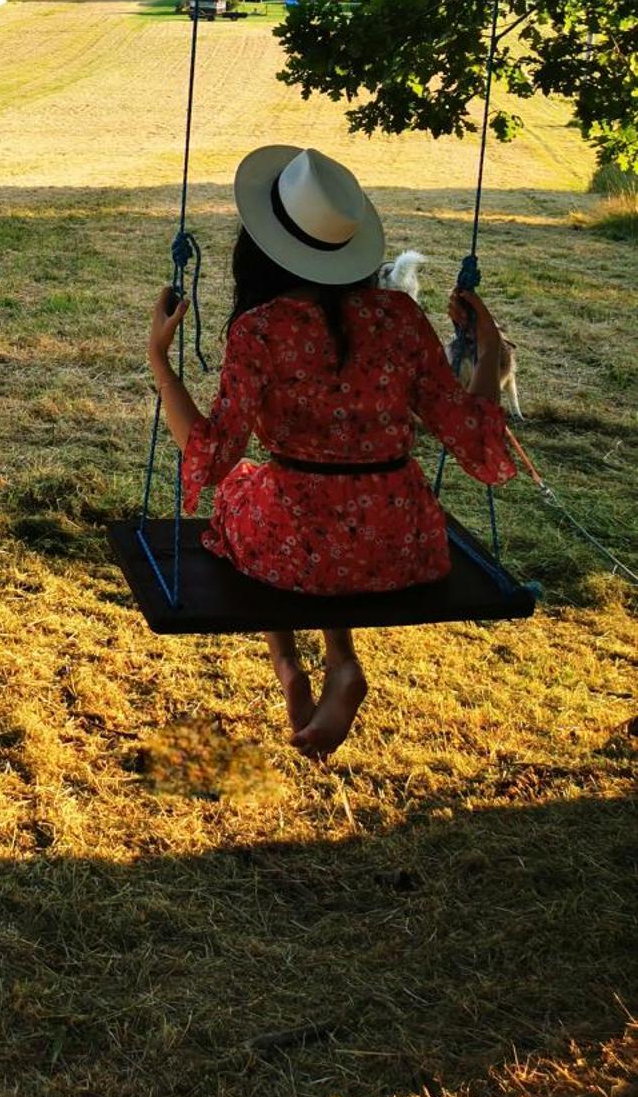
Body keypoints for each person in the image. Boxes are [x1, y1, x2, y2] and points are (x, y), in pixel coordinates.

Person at [147, 144, 515, 760]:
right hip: (403, 545)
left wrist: (160, 359)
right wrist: (489, 351)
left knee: (251, 489)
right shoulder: (399, 315)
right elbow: (478, 440)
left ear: (262, 247)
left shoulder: (260, 330)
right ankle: (341, 661)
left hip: (297, 545)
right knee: (318, 504)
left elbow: (208, 459)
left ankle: (290, 665)